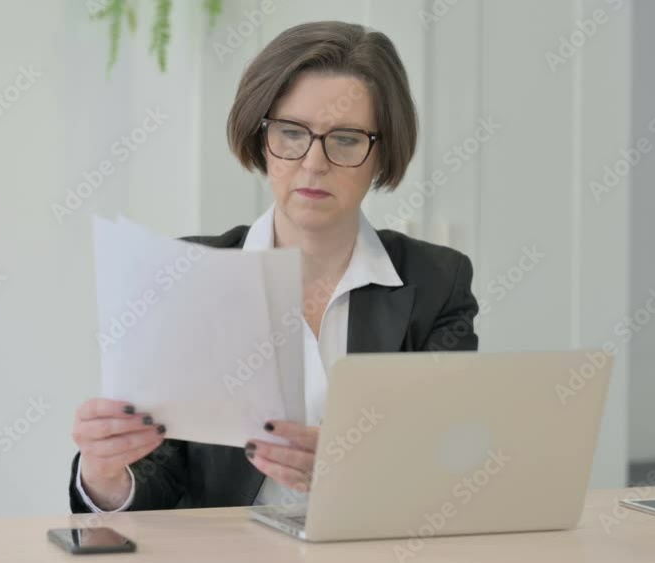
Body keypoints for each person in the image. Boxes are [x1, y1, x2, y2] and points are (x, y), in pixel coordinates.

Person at [68, 20, 479, 513]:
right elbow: (161, 477)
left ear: (381, 152)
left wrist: (350, 471)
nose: (313, 162)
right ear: (261, 138)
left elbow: (447, 464)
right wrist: (105, 474)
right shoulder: (187, 274)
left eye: (345, 139)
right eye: (291, 133)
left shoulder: (438, 283)